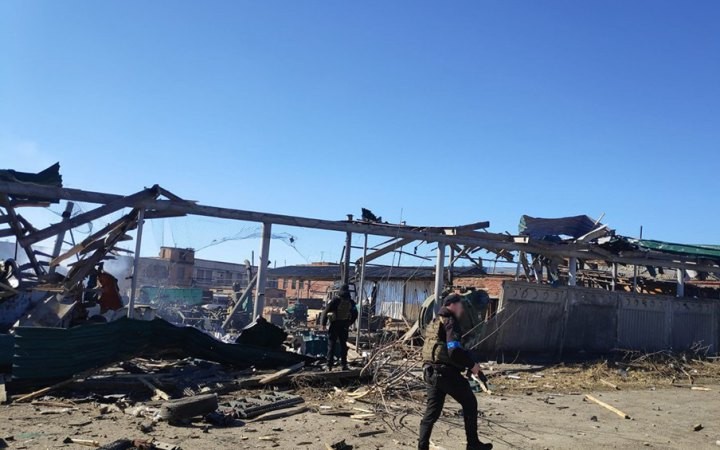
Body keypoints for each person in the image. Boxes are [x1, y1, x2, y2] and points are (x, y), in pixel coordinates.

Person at [418, 293, 492, 450]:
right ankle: (473, 444)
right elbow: (454, 352)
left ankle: (422, 447)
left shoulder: (435, 321)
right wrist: (472, 365)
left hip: (430, 371)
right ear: (452, 305)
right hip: (445, 373)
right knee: (470, 402)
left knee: (431, 413)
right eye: (460, 306)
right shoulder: (450, 321)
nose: (462, 310)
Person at [321, 284, 358, 371]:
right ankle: (344, 365)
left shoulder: (335, 300)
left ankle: (329, 365)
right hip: (344, 325)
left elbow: (326, 311)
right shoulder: (351, 302)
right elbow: (355, 313)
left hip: (335, 324)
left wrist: (323, 324)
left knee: (331, 344)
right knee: (343, 345)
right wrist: (349, 323)